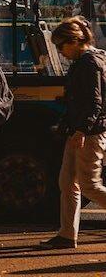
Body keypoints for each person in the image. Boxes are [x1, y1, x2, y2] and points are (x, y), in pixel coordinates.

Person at [41, 16, 106, 249]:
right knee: (67, 182)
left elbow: (94, 103)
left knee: (89, 185)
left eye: (61, 46)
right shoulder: (85, 61)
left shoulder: (89, 63)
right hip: (79, 130)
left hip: (88, 133)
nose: (60, 51)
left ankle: (67, 234)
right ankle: (67, 234)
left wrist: (81, 130)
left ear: (75, 41)